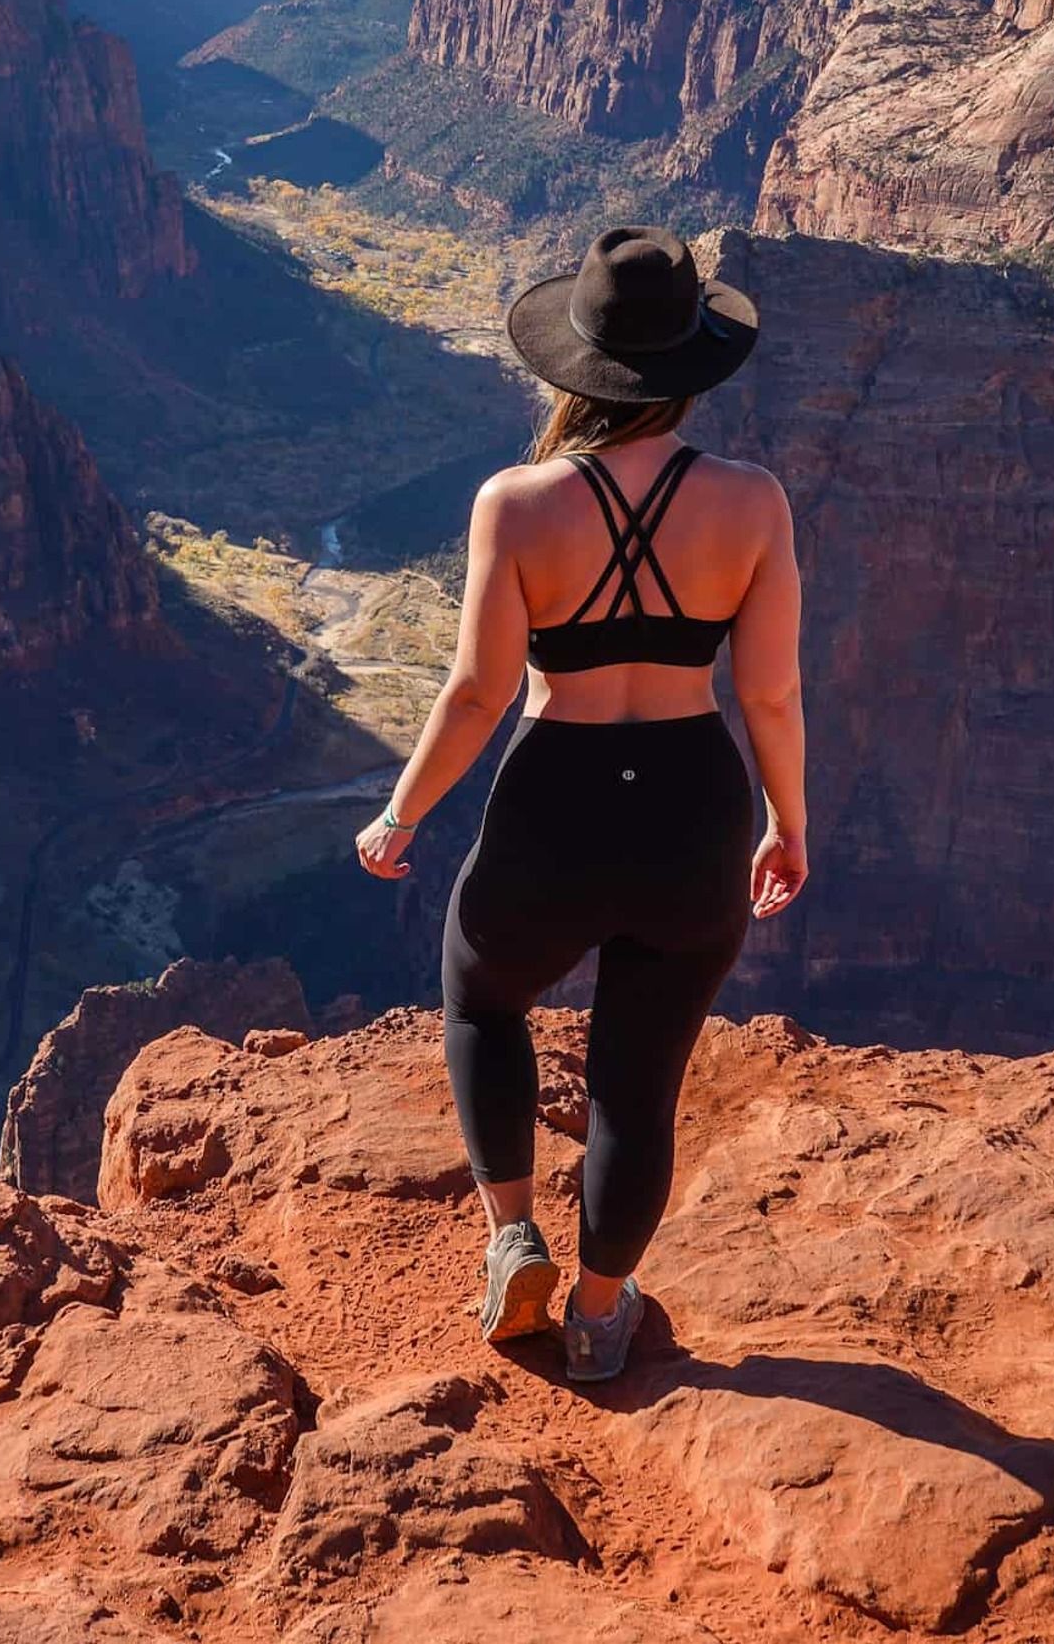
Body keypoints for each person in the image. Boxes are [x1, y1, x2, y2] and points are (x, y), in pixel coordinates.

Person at [355, 224, 808, 1382]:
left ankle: (511, 1237)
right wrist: (786, 820)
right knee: (637, 1079)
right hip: (691, 799)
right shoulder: (752, 504)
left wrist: (400, 815)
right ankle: (602, 1316)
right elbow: (768, 687)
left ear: (575, 364)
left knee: (480, 994)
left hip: (550, 791)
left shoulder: (514, 501)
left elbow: (476, 690)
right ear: (690, 364)